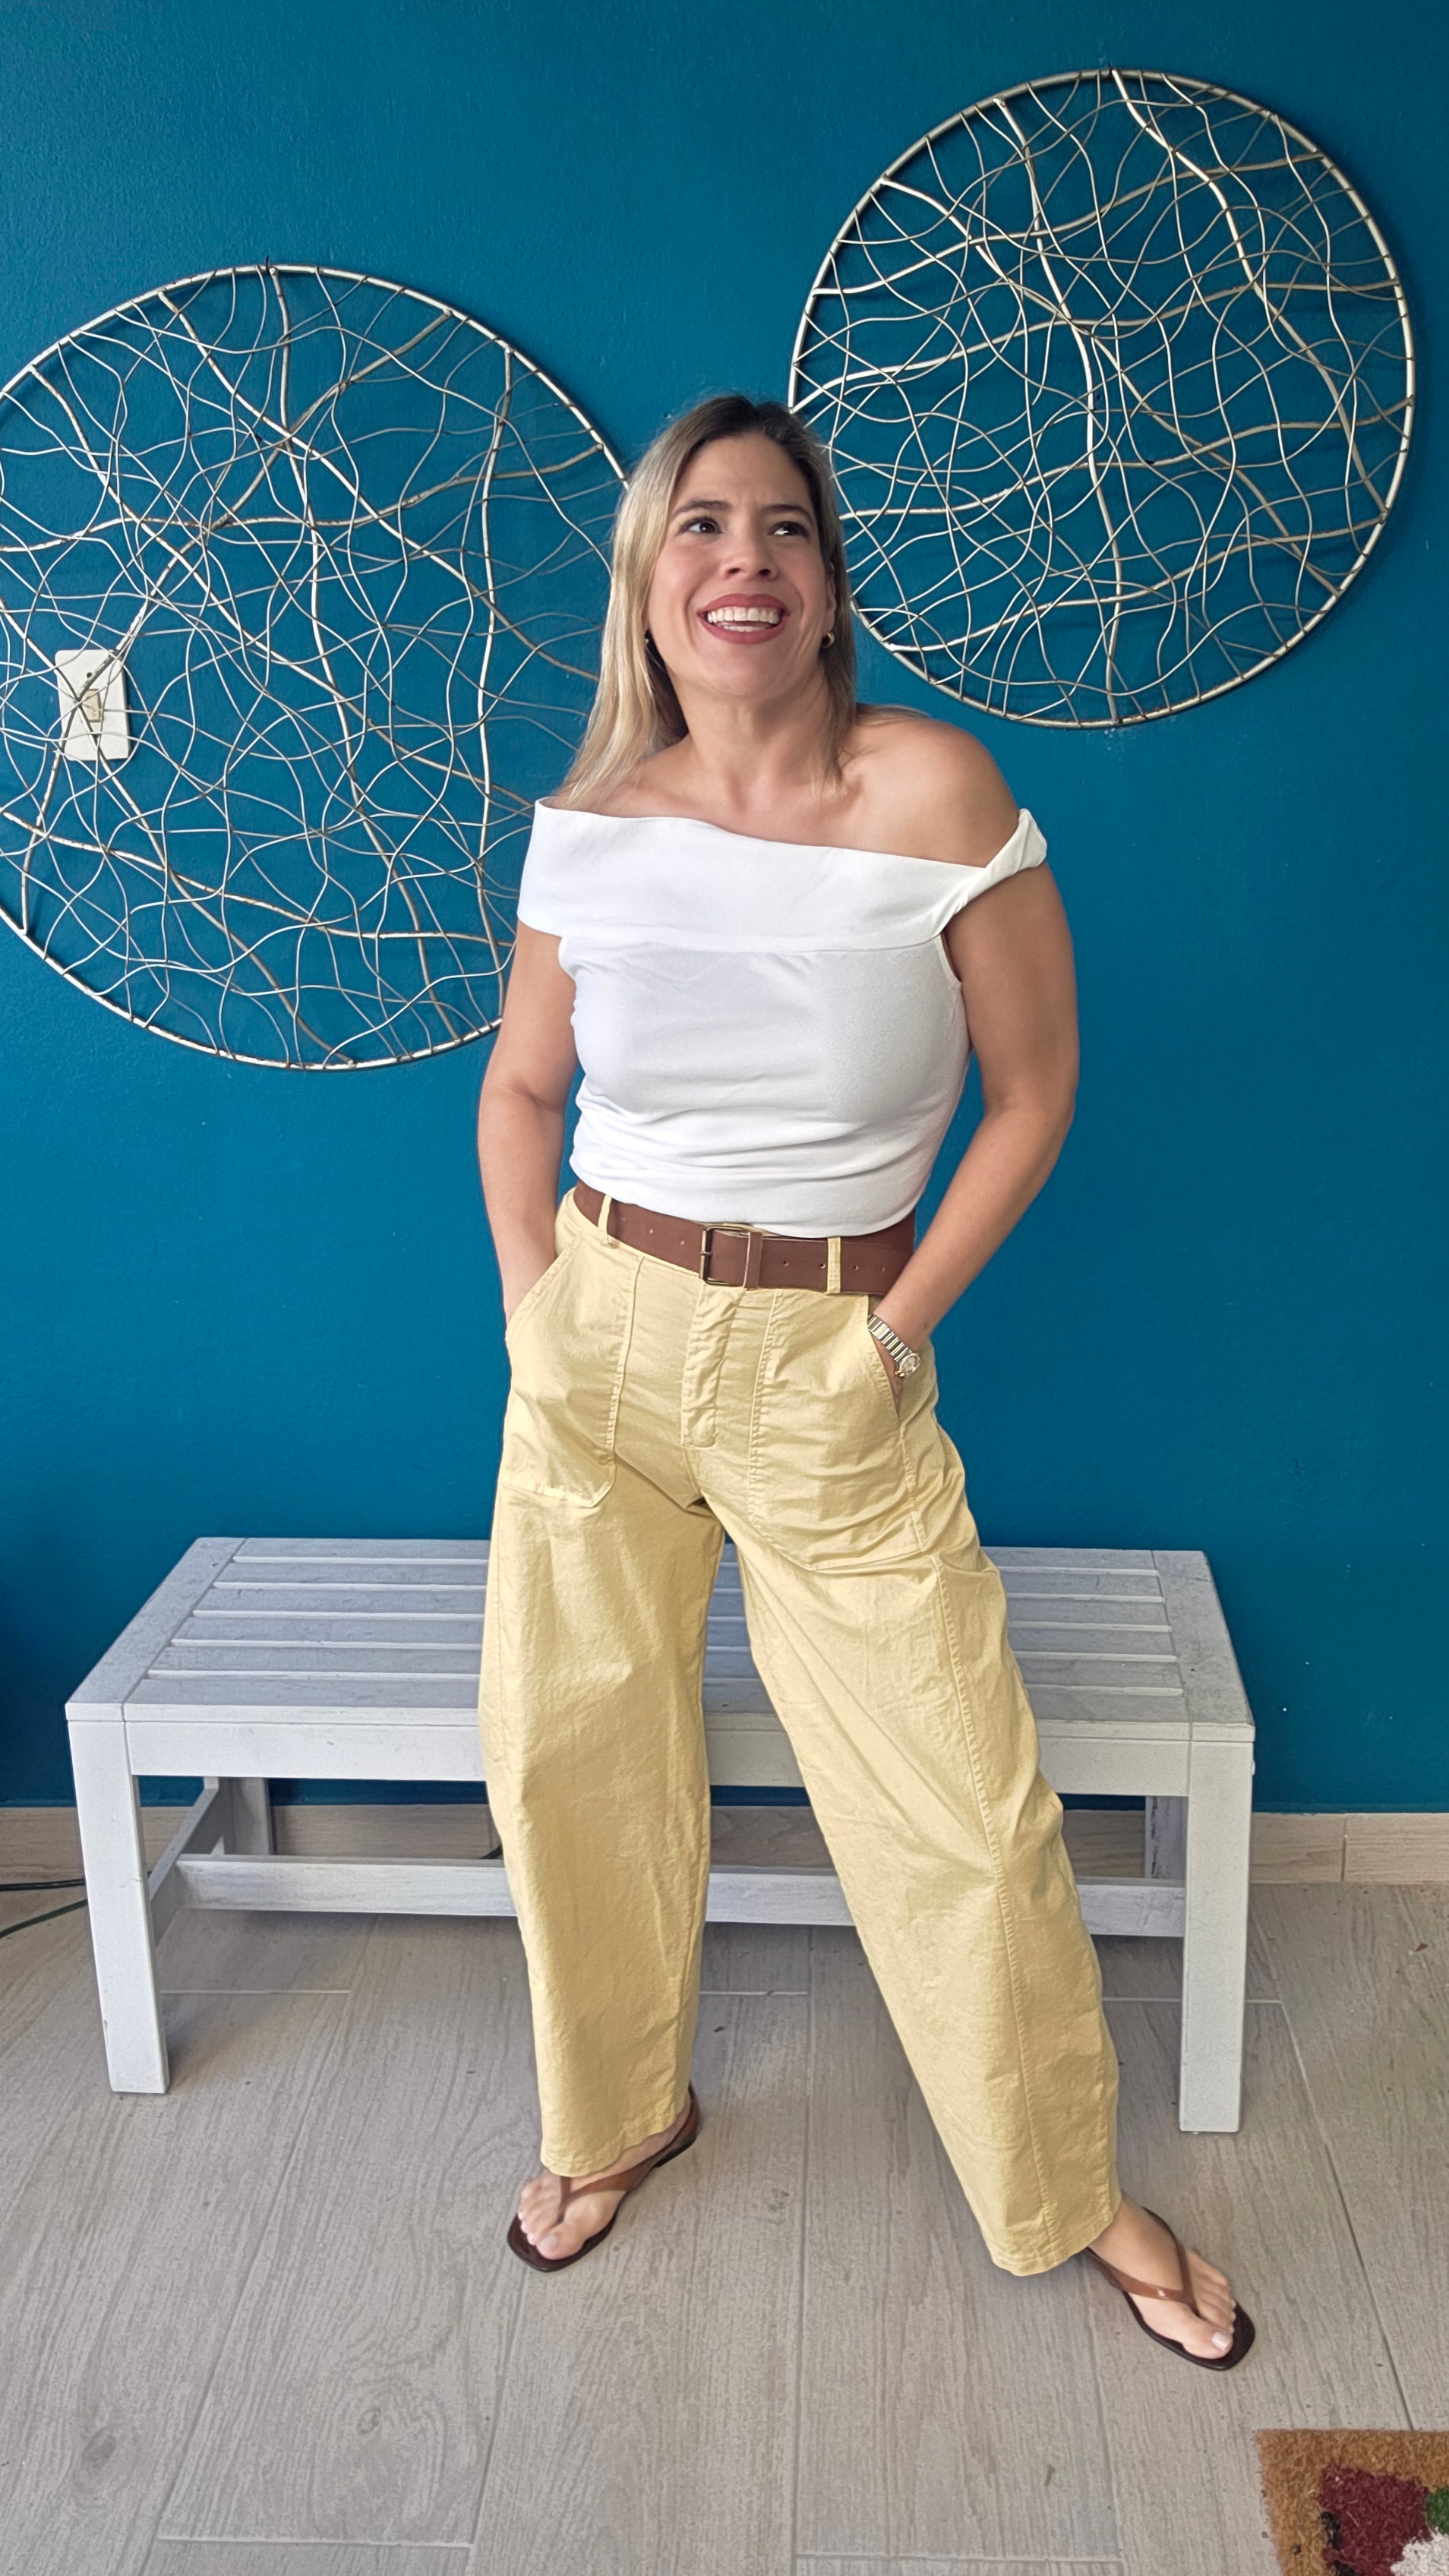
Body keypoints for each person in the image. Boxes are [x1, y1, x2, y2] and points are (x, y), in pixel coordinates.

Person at [475, 393, 1252, 2369]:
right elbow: (523, 1090)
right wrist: (535, 1311)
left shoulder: (936, 793)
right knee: (568, 1758)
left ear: (827, 586)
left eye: (784, 528)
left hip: (832, 1352)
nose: (742, 559)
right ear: (648, 583)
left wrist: (890, 1339)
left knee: (958, 1803)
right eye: (700, 525)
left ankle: (1061, 2188)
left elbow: (1034, 1095)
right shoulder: (594, 826)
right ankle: (614, 2117)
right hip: (600, 1338)